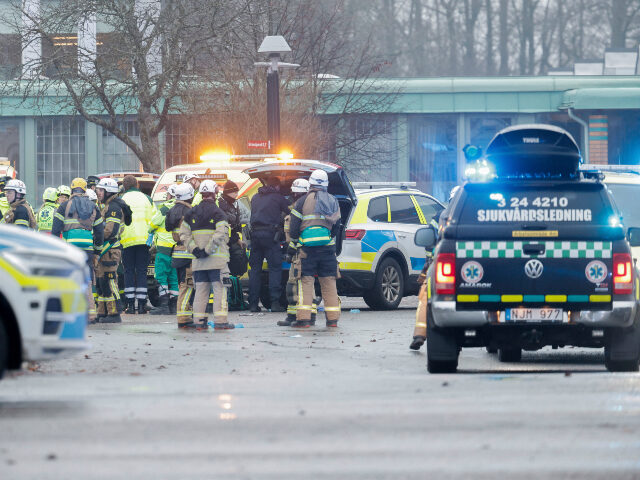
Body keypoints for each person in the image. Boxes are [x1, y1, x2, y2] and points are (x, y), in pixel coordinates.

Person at [288, 170, 342, 328]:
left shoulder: (302, 201)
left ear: (310, 183)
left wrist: (295, 240)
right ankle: (332, 320)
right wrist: (328, 237)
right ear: (326, 184)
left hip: (308, 250)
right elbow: (337, 225)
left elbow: (294, 226)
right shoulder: (333, 200)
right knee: (329, 283)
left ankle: (304, 320)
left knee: (306, 282)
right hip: (327, 248)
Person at [410, 185, 459, 350]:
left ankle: (419, 334)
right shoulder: (478, 215)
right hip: (473, 270)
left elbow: (429, 242)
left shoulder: (440, 217)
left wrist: (429, 264)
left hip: (440, 267)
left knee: (425, 298)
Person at [179, 180, 233, 330]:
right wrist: (208, 250)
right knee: (219, 290)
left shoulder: (191, 213)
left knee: (201, 292)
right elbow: (220, 234)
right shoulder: (219, 213)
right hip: (217, 262)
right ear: (214, 193)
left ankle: (199, 322)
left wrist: (195, 250)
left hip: (199, 262)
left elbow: (183, 234)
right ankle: (221, 322)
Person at [51, 178, 104, 324]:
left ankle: (72, 312)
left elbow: (55, 229)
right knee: (87, 279)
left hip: (70, 247)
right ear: (85, 189)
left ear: (72, 189)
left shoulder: (64, 206)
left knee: (70, 277)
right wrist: (97, 252)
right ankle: (91, 315)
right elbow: (99, 232)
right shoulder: (94, 207)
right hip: (87, 246)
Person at [248, 176, 290, 312]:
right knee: (275, 269)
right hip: (271, 236)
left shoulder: (255, 197)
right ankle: (275, 302)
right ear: (277, 186)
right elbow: (291, 213)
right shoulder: (278, 198)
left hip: (255, 236)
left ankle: (253, 304)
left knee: (255, 271)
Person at [278, 178, 315, 327]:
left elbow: (299, 232)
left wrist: (293, 247)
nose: (295, 196)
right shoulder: (296, 208)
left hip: (302, 251)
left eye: (297, 194)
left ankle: (308, 316)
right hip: (296, 253)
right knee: (293, 285)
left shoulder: (303, 210)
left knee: (303, 284)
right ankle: (293, 315)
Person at [120, 175, 155, 314]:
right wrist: (152, 240)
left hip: (127, 241)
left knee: (128, 271)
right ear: (137, 185)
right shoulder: (147, 199)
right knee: (141, 271)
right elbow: (154, 220)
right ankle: (141, 305)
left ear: (124, 186)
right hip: (144, 241)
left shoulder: (121, 199)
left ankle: (129, 305)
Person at [95, 178, 128, 323]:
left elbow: (110, 230)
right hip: (106, 249)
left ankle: (114, 313)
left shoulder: (113, 207)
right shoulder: (108, 205)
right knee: (102, 281)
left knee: (109, 280)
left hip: (110, 249)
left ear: (109, 192)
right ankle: (103, 312)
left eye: (101, 190)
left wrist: (96, 236)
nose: (98, 193)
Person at [165, 183, 196, 328]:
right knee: (187, 286)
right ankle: (184, 318)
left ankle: (186, 315)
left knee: (182, 284)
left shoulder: (171, 211)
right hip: (189, 254)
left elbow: (168, 227)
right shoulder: (190, 212)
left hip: (177, 254)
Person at [148, 184, 179, 315]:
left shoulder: (164, 208)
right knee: (173, 277)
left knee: (161, 277)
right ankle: (174, 305)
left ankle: (164, 305)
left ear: (171, 195)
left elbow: (152, 224)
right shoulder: (183, 208)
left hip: (164, 249)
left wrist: (151, 232)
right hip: (177, 250)